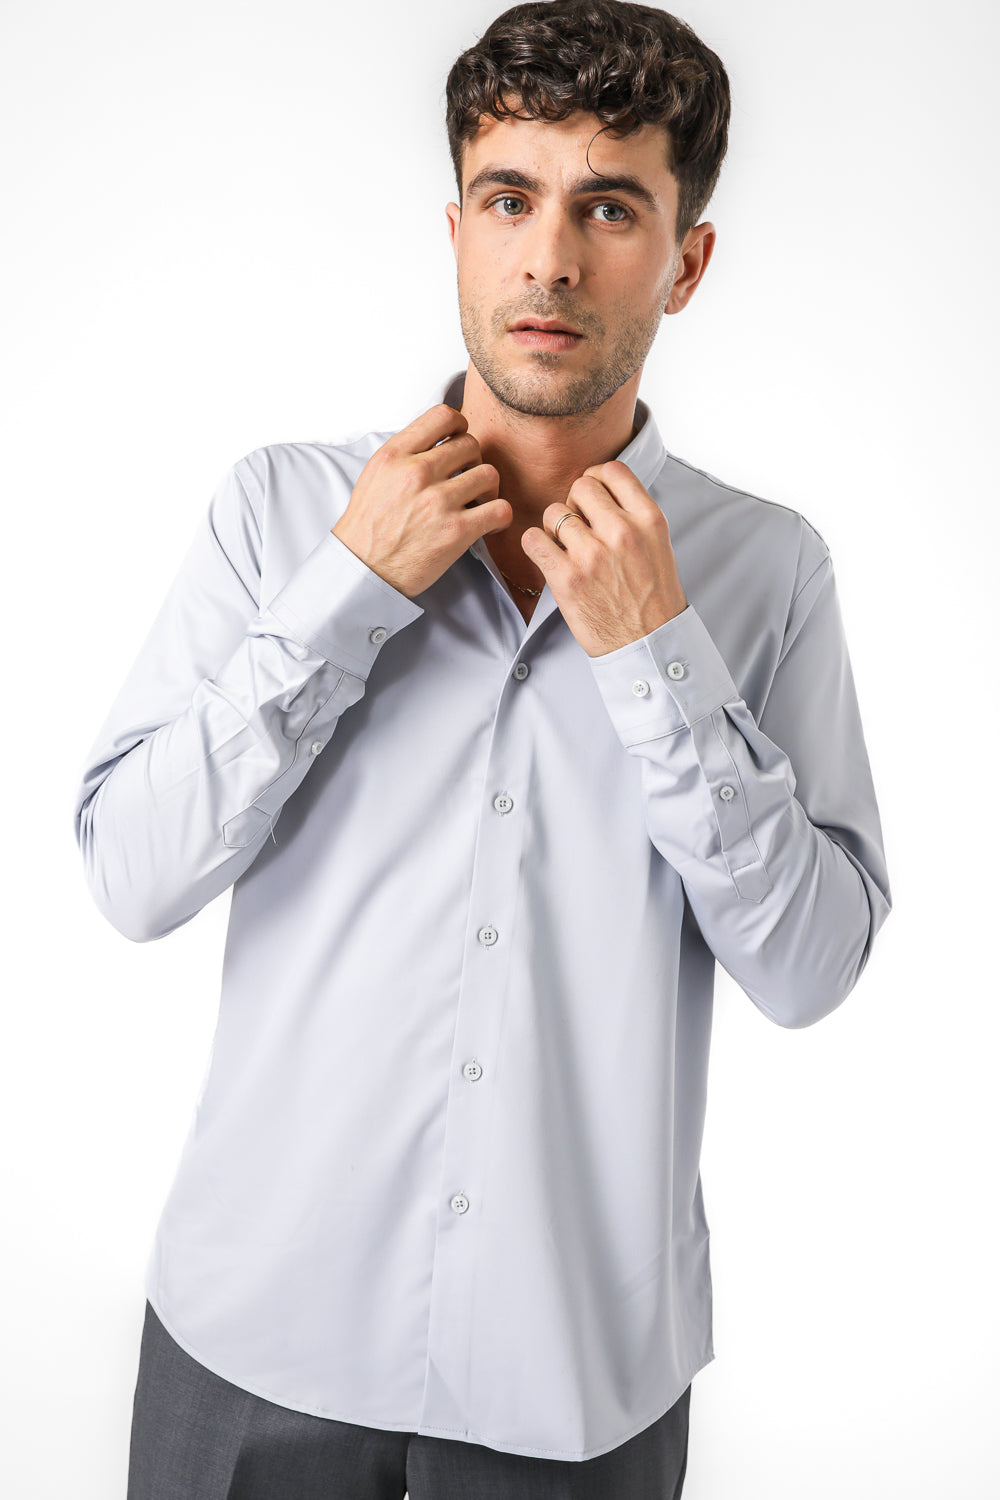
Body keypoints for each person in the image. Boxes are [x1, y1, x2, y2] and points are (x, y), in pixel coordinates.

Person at [72, 2, 892, 1496]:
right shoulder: (280, 513)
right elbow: (132, 877)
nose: (550, 260)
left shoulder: (768, 572)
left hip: (571, 1382)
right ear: (456, 231)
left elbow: (812, 968)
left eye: (611, 209)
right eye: (510, 199)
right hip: (252, 1344)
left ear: (687, 262)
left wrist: (658, 656)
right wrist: (343, 592)